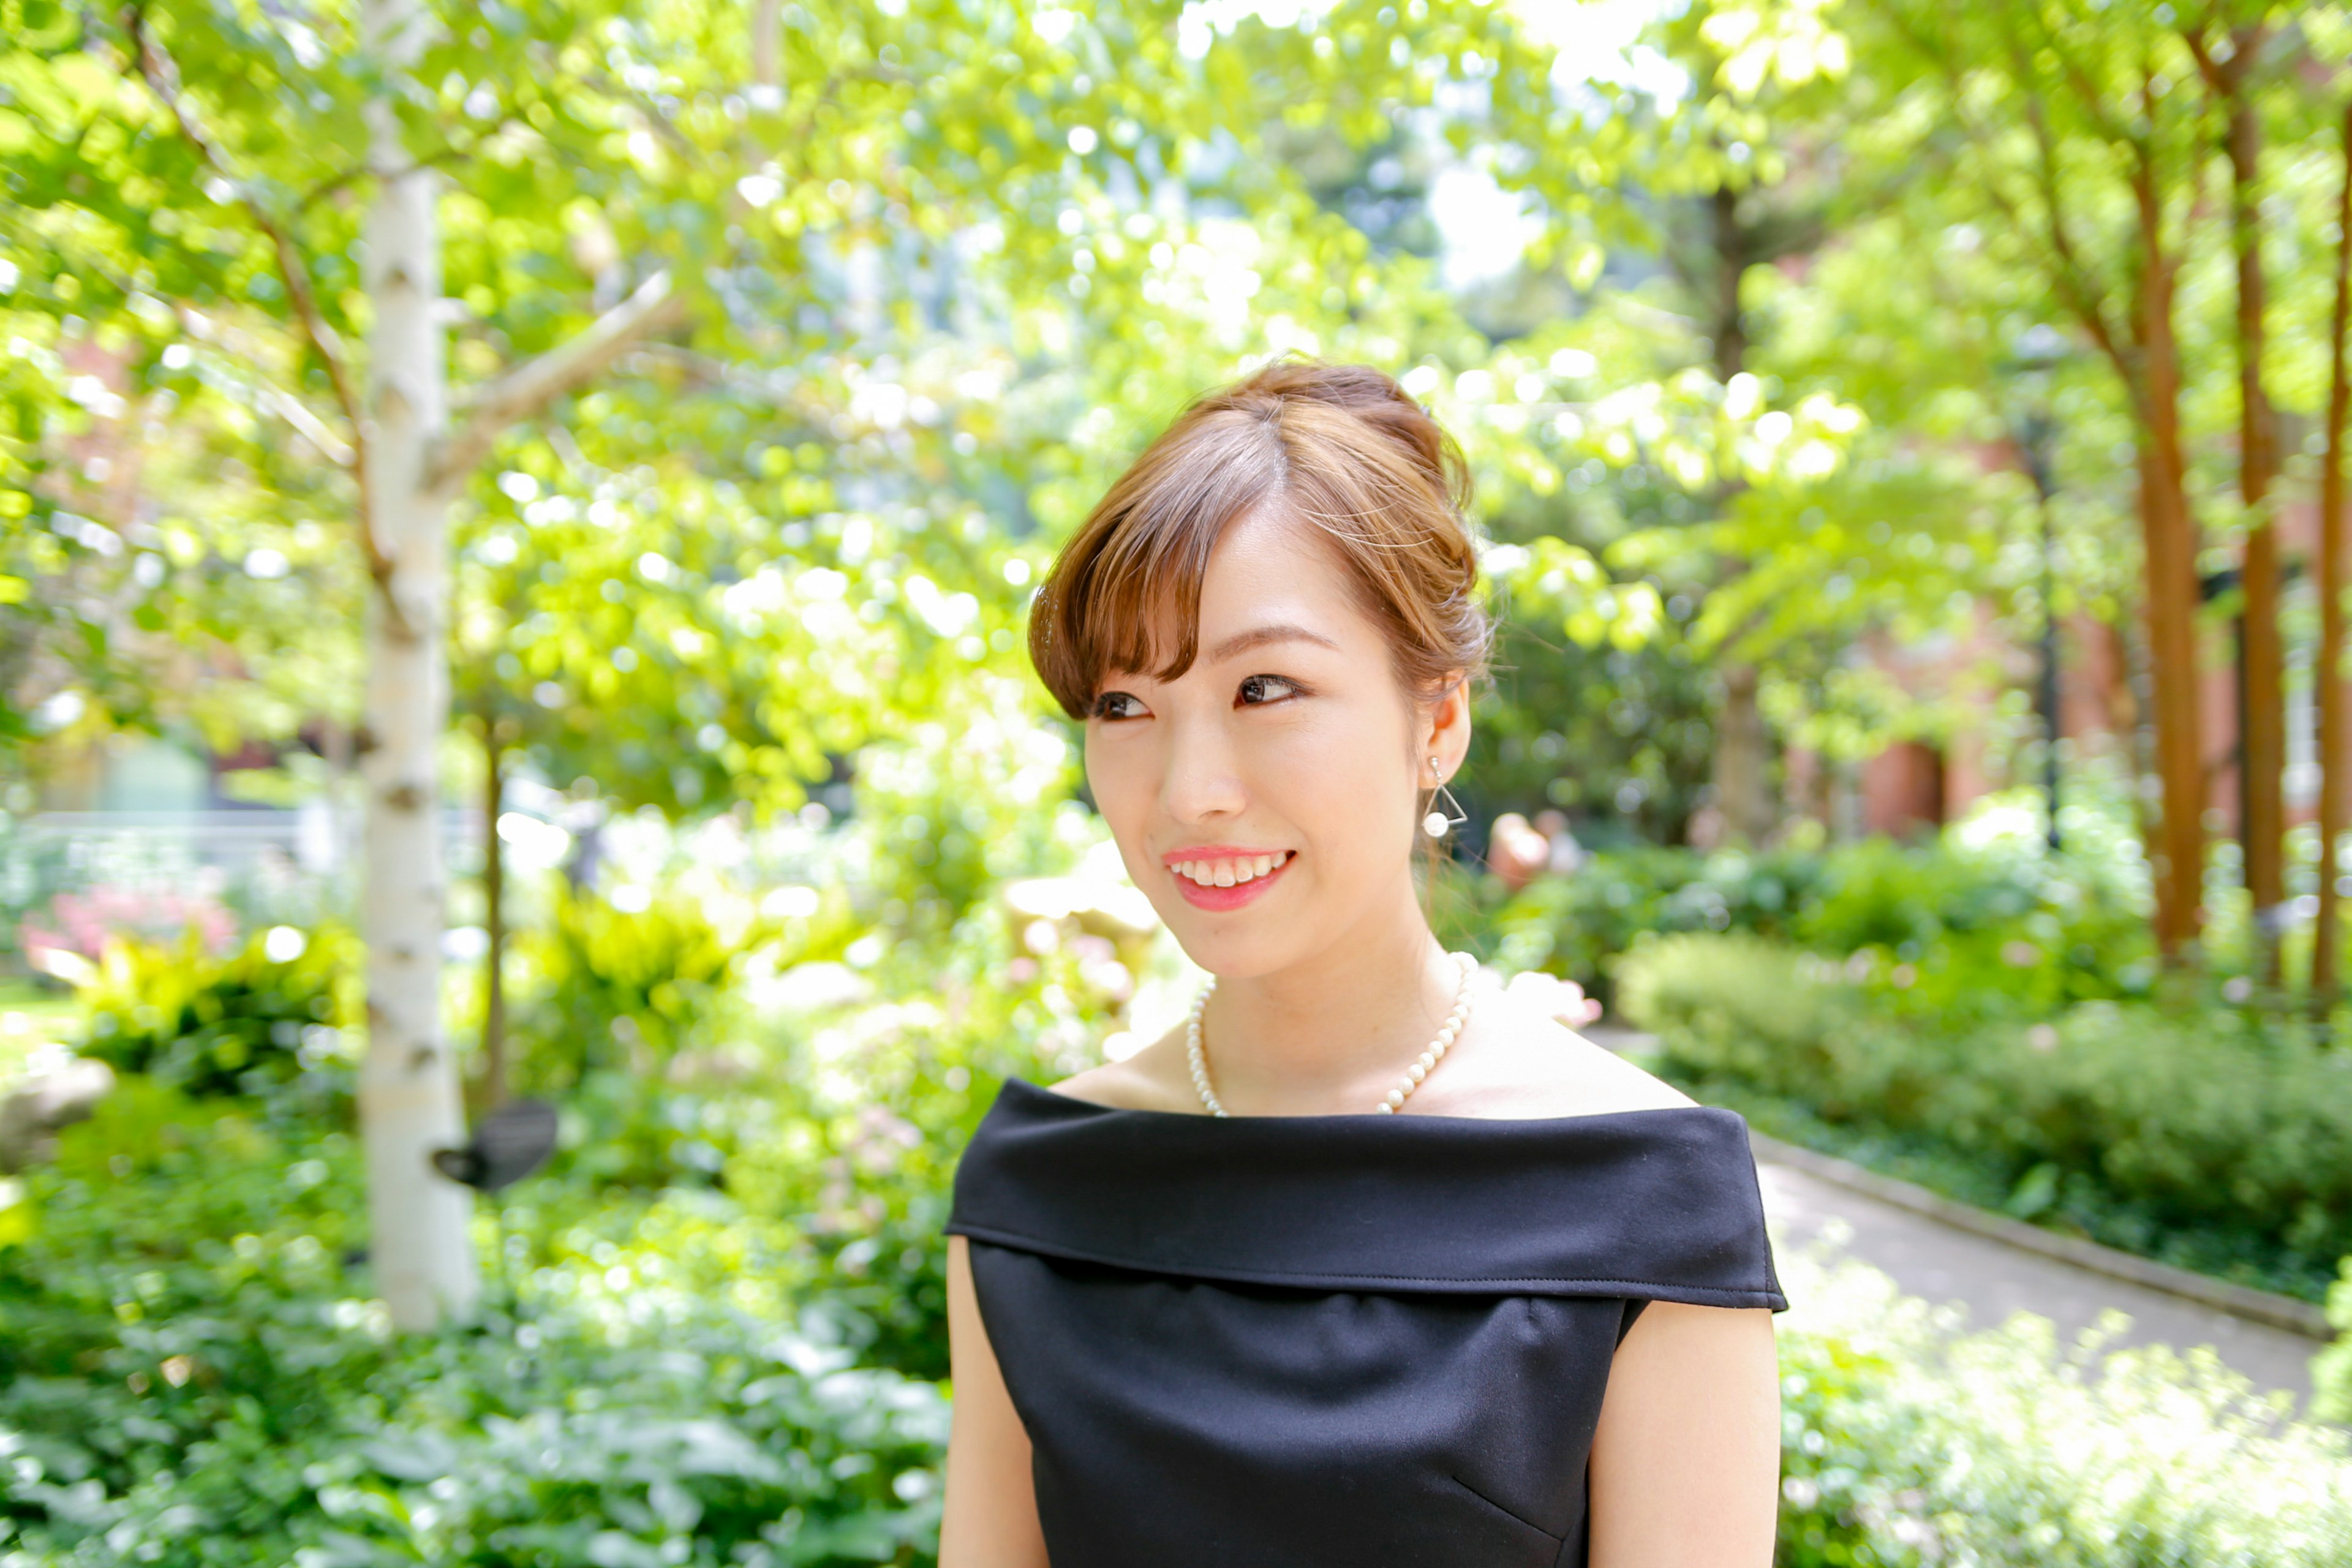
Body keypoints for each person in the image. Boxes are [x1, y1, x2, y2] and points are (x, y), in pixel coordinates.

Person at [940, 361, 1785, 1567]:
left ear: (1436, 719)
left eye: (1265, 686)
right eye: (1124, 704)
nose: (1189, 793)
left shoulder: (1643, 1194)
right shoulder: (1038, 1186)